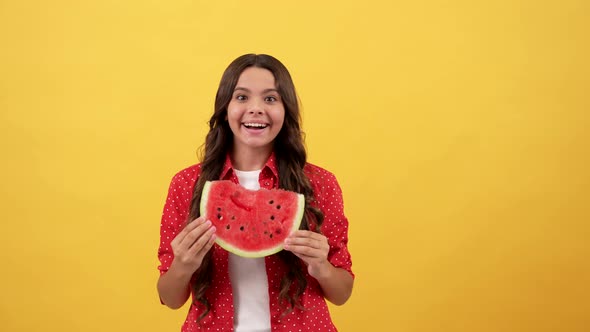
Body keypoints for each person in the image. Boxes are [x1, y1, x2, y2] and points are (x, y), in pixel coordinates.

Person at [157, 54, 354, 332]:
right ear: (225, 108)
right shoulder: (187, 183)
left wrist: (321, 266)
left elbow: (342, 293)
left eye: (271, 99)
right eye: (241, 97)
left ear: (286, 110)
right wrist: (182, 265)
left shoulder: (319, 183)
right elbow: (170, 298)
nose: (256, 109)